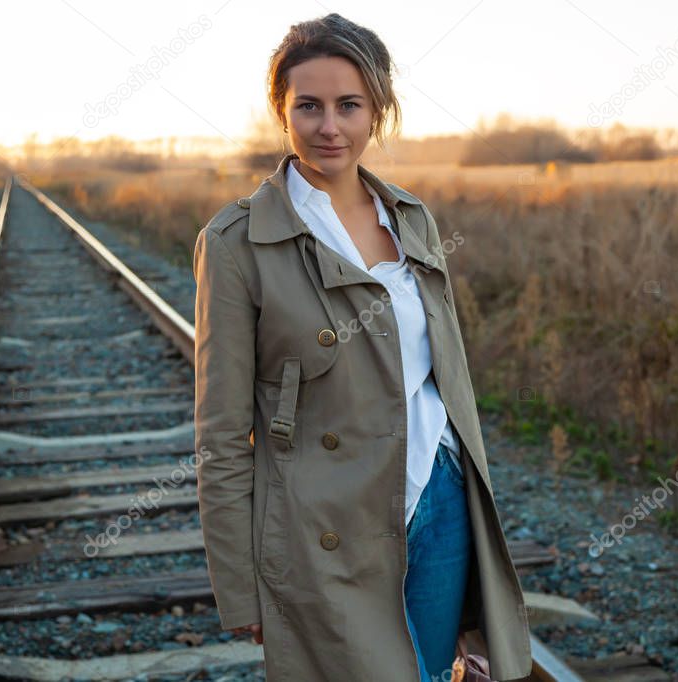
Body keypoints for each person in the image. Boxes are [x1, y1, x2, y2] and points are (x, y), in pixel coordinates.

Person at [193, 12, 532, 682]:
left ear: (377, 110)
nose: (329, 127)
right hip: (325, 525)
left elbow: (444, 377)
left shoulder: (411, 219)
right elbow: (222, 432)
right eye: (308, 106)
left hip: (437, 494)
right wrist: (239, 583)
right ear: (280, 111)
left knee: (431, 673)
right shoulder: (235, 243)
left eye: (349, 105)